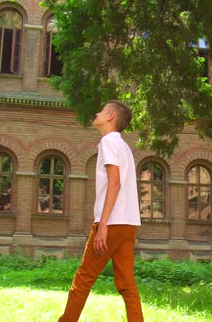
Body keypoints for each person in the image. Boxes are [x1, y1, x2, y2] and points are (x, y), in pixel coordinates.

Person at [59, 101, 143, 322]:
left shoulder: (108, 142)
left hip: (112, 223)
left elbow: (114, 184)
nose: (97, 113)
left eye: (102, 110)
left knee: (84, 278)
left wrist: (103, 224)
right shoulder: (124, 146)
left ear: (111, 117)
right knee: (127, 284)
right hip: (128, 224)